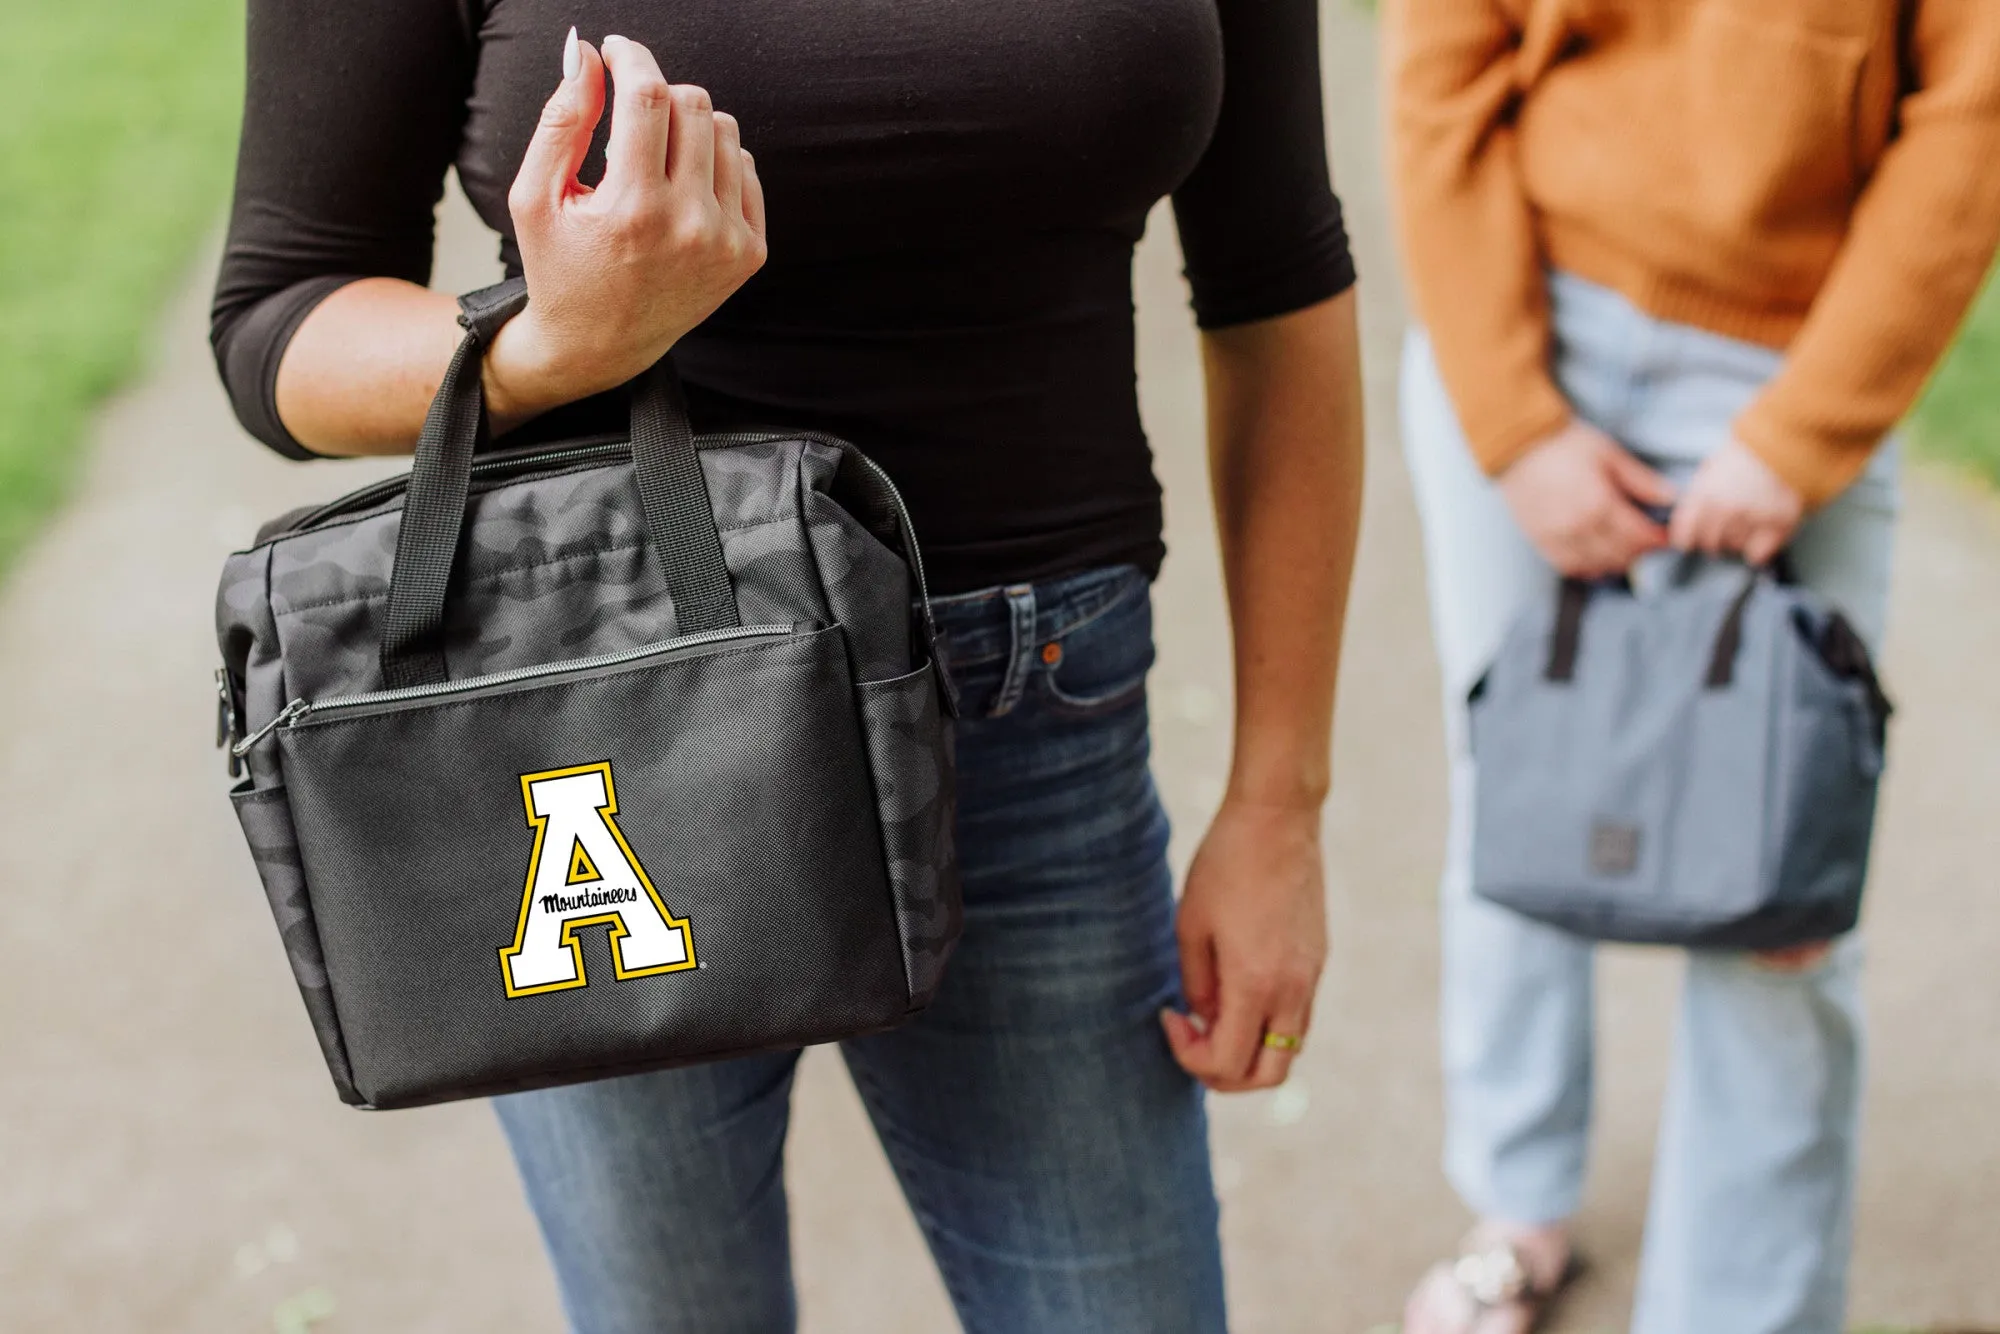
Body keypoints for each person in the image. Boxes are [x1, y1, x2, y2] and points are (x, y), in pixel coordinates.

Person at [211, 4, 1365, 1330]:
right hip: (602, 743)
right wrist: (537, 349)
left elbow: (1280, 280)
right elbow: (279, 318)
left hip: (1033, 723)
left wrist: (1282, 799)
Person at [1385, 1, 2000, 1330]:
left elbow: (1975, 109)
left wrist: (1802, 433)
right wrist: (1514, 421)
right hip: (1527, 318)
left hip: (1797, 351)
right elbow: (1439, 71)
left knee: (1783, 887)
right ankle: (1517, 1205)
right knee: (1516, 796)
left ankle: (1744, 1308)